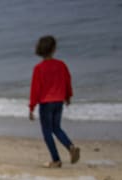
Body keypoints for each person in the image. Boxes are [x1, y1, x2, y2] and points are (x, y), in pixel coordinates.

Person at [29, 35, 80, 168]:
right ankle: (70, 147)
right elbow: (67, 81)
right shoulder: (61, 65)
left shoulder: (39, 68)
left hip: (46, 103)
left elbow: (35, 89)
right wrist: (68, 97)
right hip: (59, 101)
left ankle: (56, 160)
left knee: (47, 131)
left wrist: (31, 107)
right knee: (57, 128)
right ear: (54, 49)